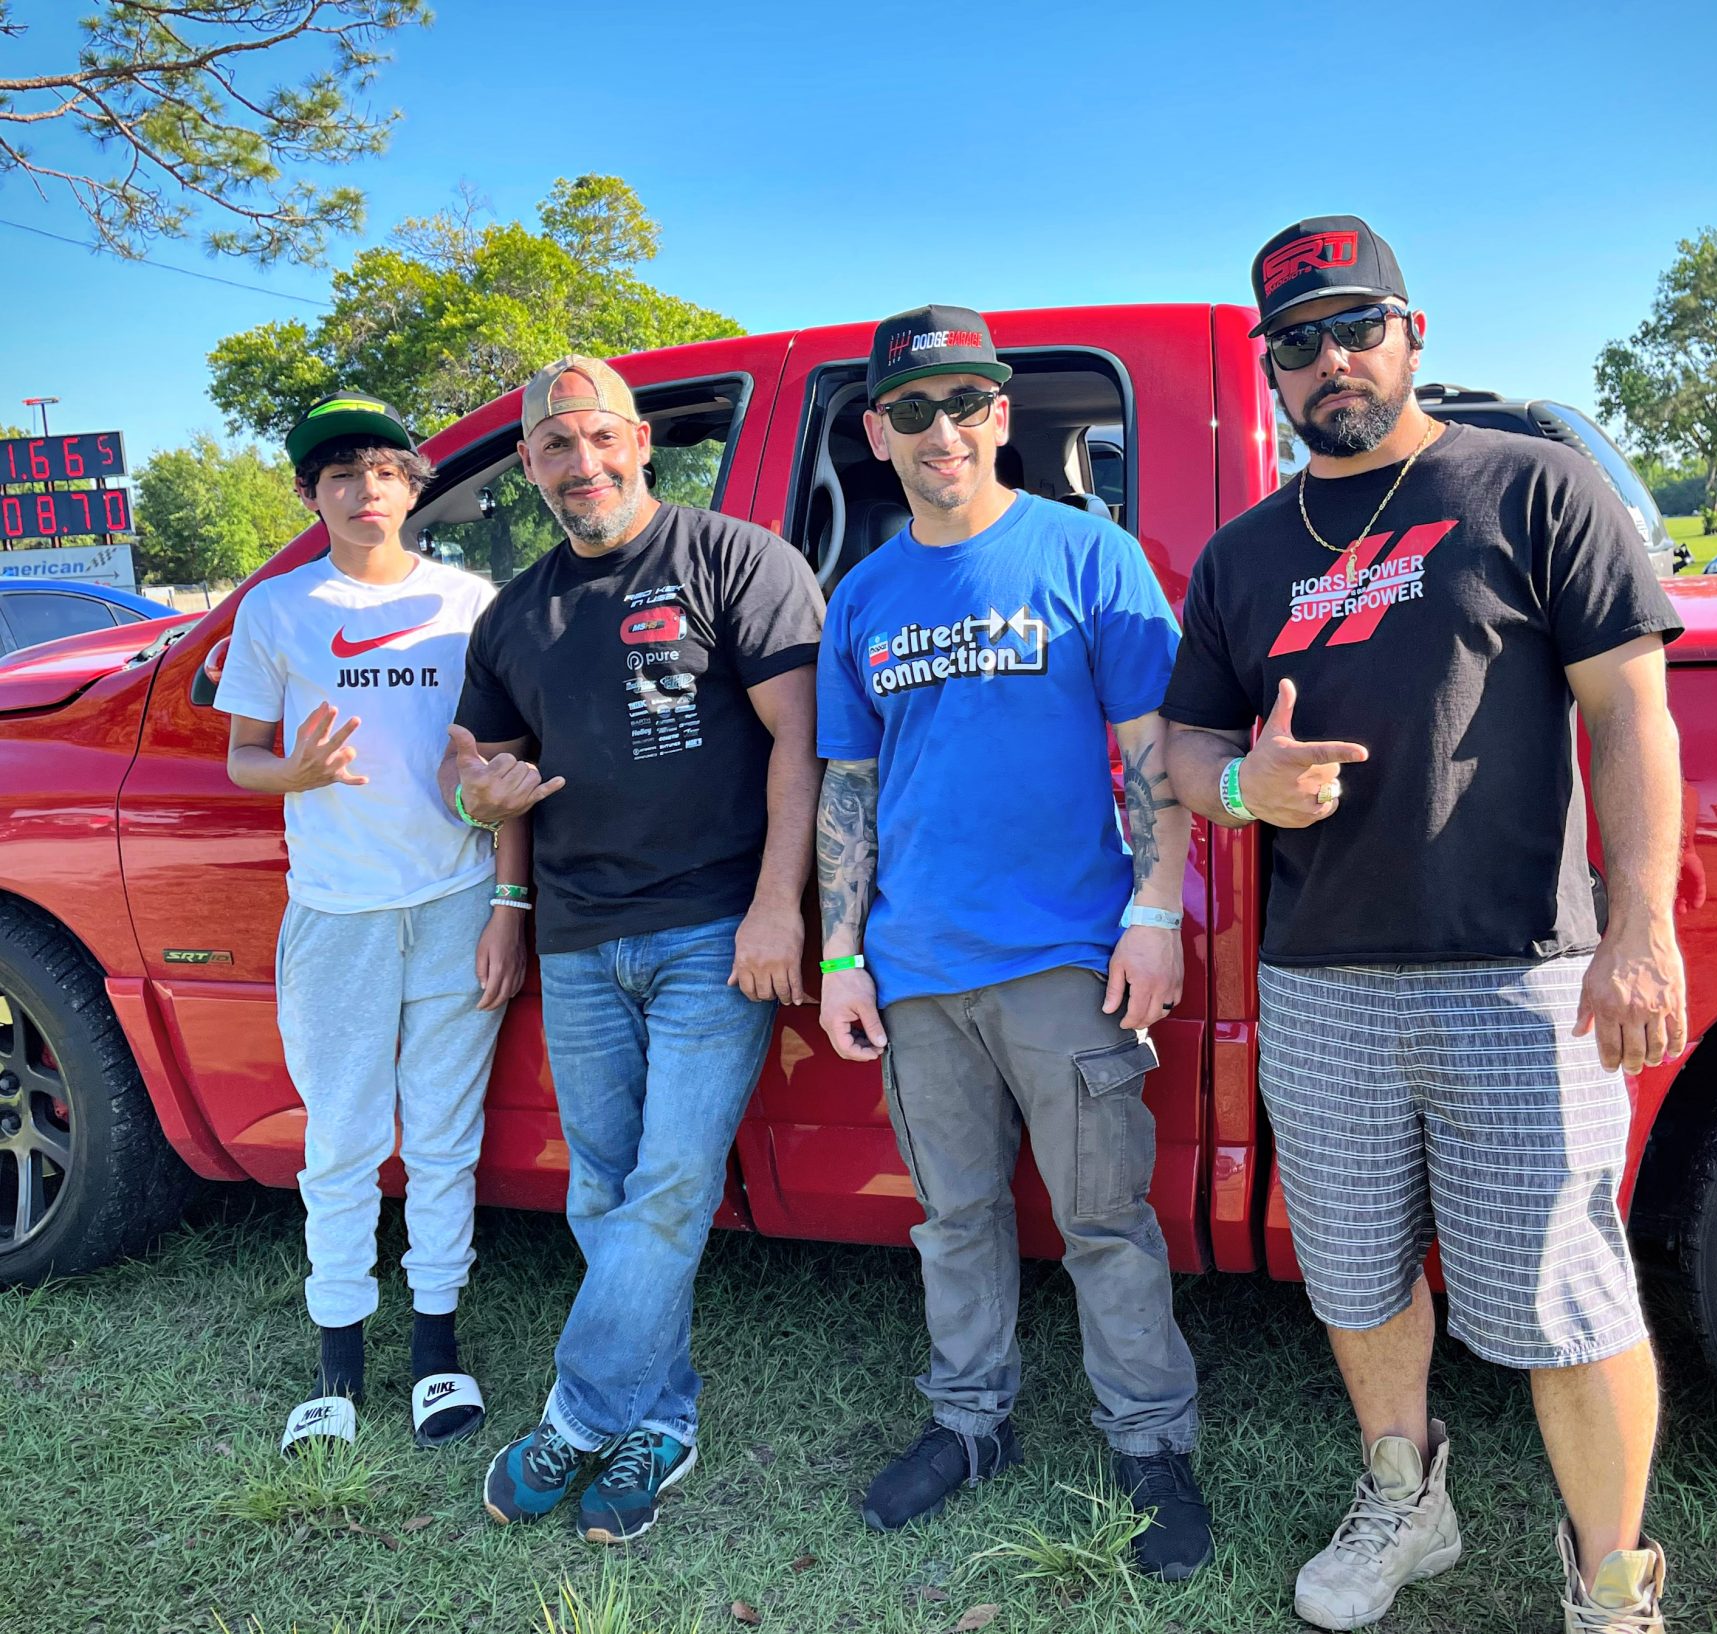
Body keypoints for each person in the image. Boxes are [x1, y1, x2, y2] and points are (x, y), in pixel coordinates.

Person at [1161, 218, 1687, 1633]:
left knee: (1569, 1301)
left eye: (1356, 328)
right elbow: (1179, 748)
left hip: (1520, 974)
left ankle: (1614, 1580)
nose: (1332, 361)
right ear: (1271, 368)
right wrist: (1238, 784)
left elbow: (1631, 712)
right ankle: (1408, 1494)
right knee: (1355, 1275)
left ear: (1412, 332)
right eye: (1298, 342)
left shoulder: (1533, 487)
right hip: (1322, 980)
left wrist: (1639, 930)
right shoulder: (1243, 554)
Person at [816, 306, 1212, 1580]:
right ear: (878, 432)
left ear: (1000, 413)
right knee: (954, 1217)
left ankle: (1150, 1448)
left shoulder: (1087, 555)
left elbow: (1156, 750)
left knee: (1104, 1220)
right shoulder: (863, 594)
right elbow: (848, 786)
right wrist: (838, 950)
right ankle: (967, 1424)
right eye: (913, 409)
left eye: (965, 401)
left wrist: (1155, 913)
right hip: (918, 967)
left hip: (1062, 960)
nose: (942, 429)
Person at [454, 355, 823, 1546]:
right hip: (575, 941)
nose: (581, 463)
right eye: (554, 446)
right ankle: (659, 1419)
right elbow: (479, 768)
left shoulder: (734, 559)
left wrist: (779, 905)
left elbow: (799, 744)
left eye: (599, 436)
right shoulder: (516, 613)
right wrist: (496, 866)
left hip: (716, 931)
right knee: (604, 1188)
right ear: (527, 465)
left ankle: (577, 1412)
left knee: (668, 1183)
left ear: (640, 442)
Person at [216, 391, 524, 1455]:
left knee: (443, 1137)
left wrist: (502, 899)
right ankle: (336, 1363)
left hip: (451, 903)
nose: (364, 490)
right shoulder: (278, 608)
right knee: (342, 1141)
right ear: (311, 495)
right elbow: (242, 754)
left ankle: (435, 1351)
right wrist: (290, 770)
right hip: (336, 916)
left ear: (414, 484)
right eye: (339, 474)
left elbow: (498, 758)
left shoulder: (469, 601)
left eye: (384, 470)